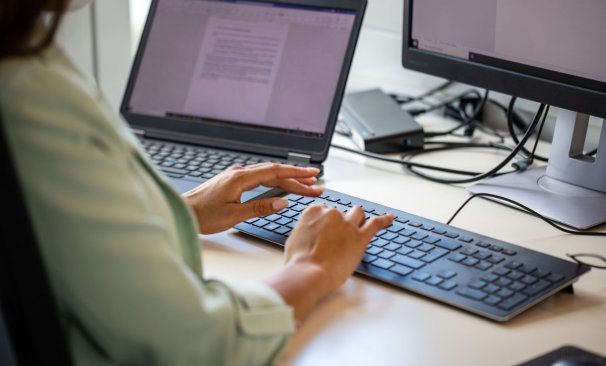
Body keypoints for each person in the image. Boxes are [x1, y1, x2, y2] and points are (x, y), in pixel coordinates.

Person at [0, 0, 394, 364]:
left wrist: (181, 212)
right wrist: (312, 268)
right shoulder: (28, 96)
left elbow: (51, 237)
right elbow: (195, 342)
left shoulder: (24, 50)